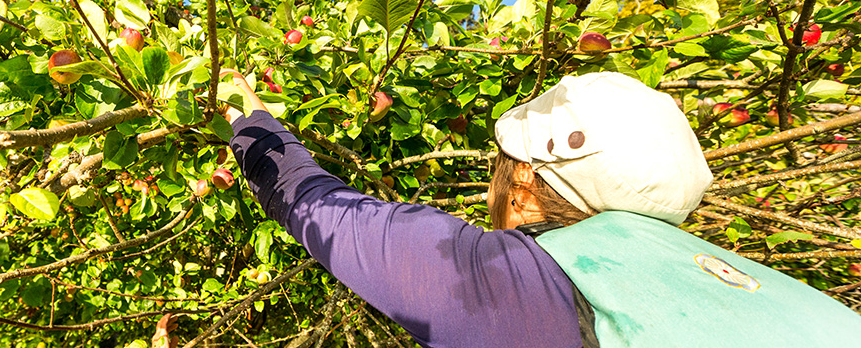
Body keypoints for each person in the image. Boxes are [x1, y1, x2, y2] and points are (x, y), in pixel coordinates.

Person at [223, 71, 861, 347]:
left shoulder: (519, 287)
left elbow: (323, 210)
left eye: (500, 166)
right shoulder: (740, 277)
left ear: (524, 184)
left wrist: (251, 121)